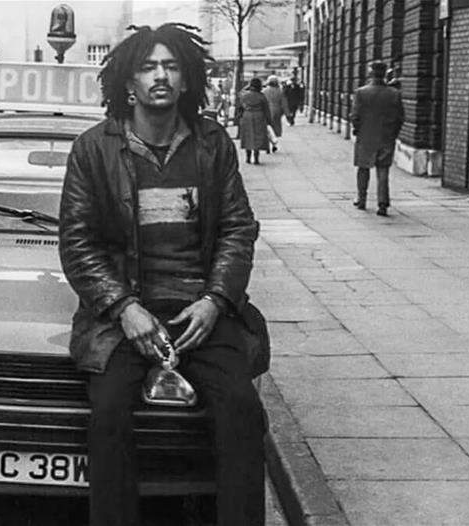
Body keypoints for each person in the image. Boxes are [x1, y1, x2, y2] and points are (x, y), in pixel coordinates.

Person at [58, 22, 266, 526]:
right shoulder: (94, 149)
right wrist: (123, 308)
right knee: (108, 417)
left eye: (171, 66)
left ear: (187, 79)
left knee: (243, 412)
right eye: (148, 67)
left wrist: (215, 300)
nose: (160, 76)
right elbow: (78, 242)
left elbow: (239, 228)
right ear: (128, 83)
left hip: (200, 314)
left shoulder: (213, 144)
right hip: (124, 317)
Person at [350, 60, 404, 216]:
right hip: (386, 136)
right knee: (383, 170)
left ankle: (361, 199)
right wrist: (394, 132)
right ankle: (382, 203)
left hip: (366, 136)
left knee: (363, 168)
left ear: (371, 73)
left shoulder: (361, 92)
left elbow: (355, 115)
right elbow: (400, 117)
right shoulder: (394, 94)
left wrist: (357, 129)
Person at [235, 77, 271, 164]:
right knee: (257, 136)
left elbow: (239, 107)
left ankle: (248, 157)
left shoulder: (244, 96)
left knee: (248, 136)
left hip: (247, 116)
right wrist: (269, 120)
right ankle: (256, 157)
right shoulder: (261, 96)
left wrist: (238, 117)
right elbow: (266, 109)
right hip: (259, 116)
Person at [262, 75, 288, 151]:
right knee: (275, 128)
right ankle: (274, 143)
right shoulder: (280, 91)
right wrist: (287, 113)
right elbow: (284, 103)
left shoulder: (264, 91)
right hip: (277, 110)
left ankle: (268, 143)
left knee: (267, 128)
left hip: (266, 110)